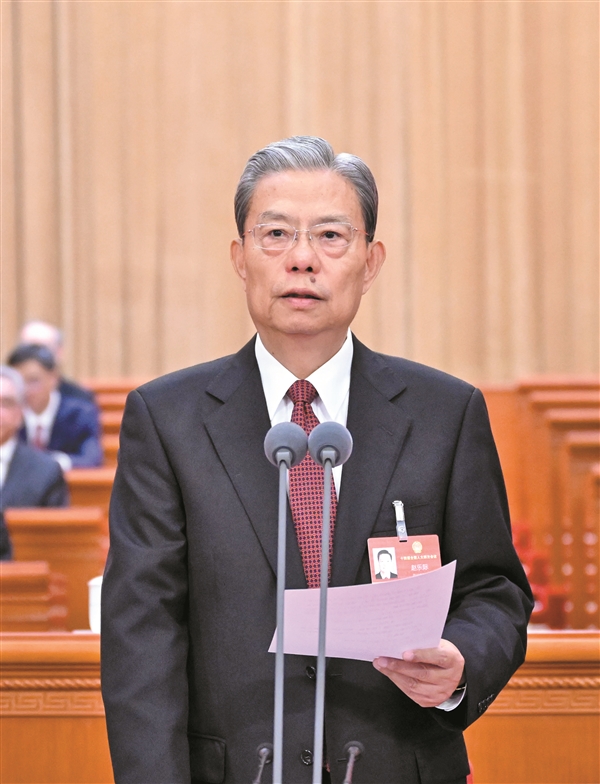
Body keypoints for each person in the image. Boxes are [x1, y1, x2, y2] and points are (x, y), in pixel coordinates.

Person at [101, 136, 532, 784]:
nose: (302, 259)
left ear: (371, 261)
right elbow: (142, 634)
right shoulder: (168, 420)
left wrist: (462, 660)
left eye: (331, 236)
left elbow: (494, 589)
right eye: (276, 234)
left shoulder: (445, 413)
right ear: (240, 258)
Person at [0, 366, 69, 558]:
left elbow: (53, 549)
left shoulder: (46, 471)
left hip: (21, 574)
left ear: (21, 412)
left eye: (6, 403)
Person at [7, 344, 102, 470]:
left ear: (54, 378)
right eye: (19, 382)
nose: (25, 390)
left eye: (33, 381)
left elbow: (91, 459)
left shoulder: (80, 414)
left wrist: (49, 463)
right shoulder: (6, 414)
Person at [19, 319, 96, 404]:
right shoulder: (10, 397)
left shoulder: (80, 399)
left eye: (43, 351)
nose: (35, 359)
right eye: (28, 350)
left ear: (59, 353)